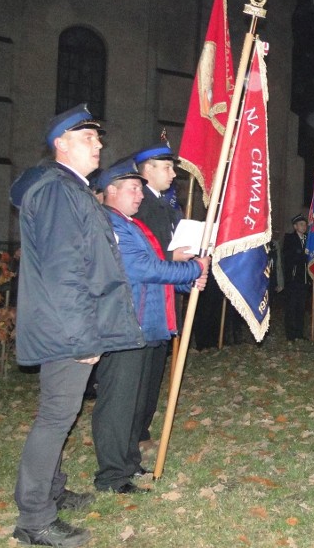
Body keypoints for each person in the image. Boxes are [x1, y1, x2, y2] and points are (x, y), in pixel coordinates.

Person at [8, 104, 144, 548]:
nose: (99, 144)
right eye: (88, 138)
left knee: (61, 414)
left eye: (99, 138)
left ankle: (51, 490)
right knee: (55, 416)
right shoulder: (57, 191)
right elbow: (66, 269)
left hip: (68, 324)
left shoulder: (71, 189)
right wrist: (84, 335)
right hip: (66, 328)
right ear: (60, 145)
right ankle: (34, 518)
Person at [95, 159, 208, 494]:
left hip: (147, 325)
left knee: (135, 402)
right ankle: (112, 476)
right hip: (125, 326)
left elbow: (158, 270)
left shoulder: (133, 225)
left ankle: (128, 464)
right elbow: (142, 269)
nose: (140, 195)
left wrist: (189, 282)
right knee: (118, 403)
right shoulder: (110, 224)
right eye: (133, 189)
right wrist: (191, 270)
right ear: (111, 190)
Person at [131, 143, 192, 449]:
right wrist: (176, 257)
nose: (172, 173)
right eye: (166, 167)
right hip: (146, 303)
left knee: (155, 369)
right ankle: (133, 432)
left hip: (166, 300)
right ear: (148, 170)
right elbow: (147, 255)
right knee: (140, 373)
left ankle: (142, 429)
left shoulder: (169, 207)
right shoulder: (141, 207)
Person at [282, 214, 310, 340]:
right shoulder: (289, 239)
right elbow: (289, 257)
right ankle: (290, 334)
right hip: (293, 280)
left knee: (301, 307)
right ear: (295, 226)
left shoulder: (308, 239)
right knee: (291, 307)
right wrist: (303, 255)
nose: (304, 227)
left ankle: (299, 332)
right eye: (301, 224)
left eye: (305, 224)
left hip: (304, 280)